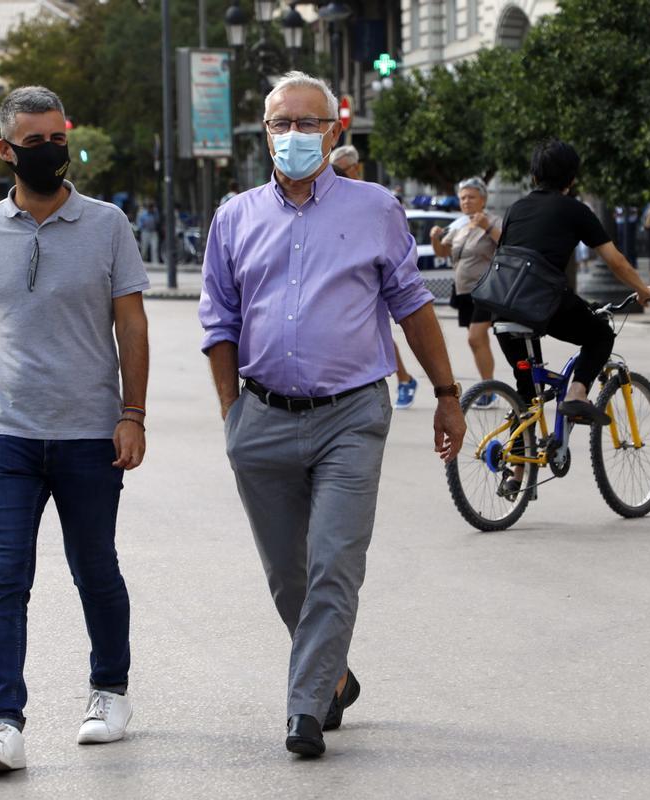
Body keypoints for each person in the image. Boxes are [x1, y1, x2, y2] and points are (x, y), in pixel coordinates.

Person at [199, 71, 466, 758]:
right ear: (264, 133)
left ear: (335, 130)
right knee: (288, 575)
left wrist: (445, 391)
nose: (293, 135)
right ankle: (335, 677)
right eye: (280, 124)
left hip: (351, 415)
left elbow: (411, 305)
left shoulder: (375, 209)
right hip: (262, 416)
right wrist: (233, 417)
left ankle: (304, 707)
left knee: (335, 564)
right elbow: (219, 323)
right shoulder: (234, 218)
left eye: (307, 123)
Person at [0, 85, 151, 772]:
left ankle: (109, 691)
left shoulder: (107, 225)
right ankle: (3, 722)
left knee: (94, 567)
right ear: (5, 151)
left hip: (89, 433)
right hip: (7, 435)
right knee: (4, 577)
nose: (49, 151)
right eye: (33, 143)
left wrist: (133, 414)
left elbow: (132, 324)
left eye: (56, 138)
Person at [495, 139, 650, 431]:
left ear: (534, 176)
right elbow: (615, 261)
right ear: (572, 179)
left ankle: (515, 471)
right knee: (600, 336)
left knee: (526, 395)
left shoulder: (516, 208)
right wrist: (644, 291)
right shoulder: (575, 210)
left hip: (502, 307)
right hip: (543, 304)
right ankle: (577, 392)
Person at [332, 143, 420, 407]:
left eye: (342, 169)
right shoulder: (331, 195)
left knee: (373, 329)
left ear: (355, 168)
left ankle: (402, 380)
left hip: (376, 272)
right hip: (346, 271)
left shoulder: (377, 198)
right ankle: (401, 379)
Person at [429, 177, 499, 394]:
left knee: (475, 337)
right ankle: (488, 387)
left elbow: (507, 245)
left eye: (471, 197)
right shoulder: (460, 225)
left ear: (483, 199)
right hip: (465, 290)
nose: (466, 201)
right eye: (463, 198)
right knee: (476, 340)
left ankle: (488, 390)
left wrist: (487, 228)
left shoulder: (493, 221)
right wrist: (434, 238)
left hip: (486, 289)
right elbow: (442, 252)